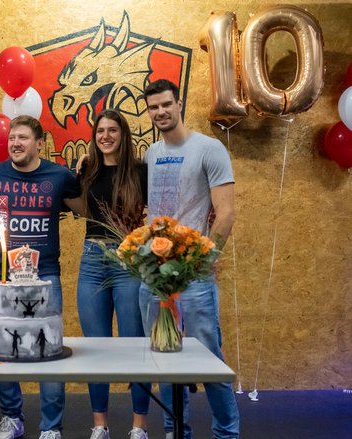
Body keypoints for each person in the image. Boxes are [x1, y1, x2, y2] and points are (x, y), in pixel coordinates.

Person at [139, 79, 239, 439]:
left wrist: (204, 259)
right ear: (148, 111)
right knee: (164, 358)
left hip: (192, 275)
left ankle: (227, 433)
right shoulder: (151, 153)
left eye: (166, 104)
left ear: (178, 103)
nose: (160, 112)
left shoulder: (208, 149)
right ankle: (174, 431)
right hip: (154, 274)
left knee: (209, 358)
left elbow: (225, 214)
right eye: (153, 107)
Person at [0, 115, 81, 439]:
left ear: (39, 143)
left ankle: (51, 426)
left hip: (45, 275)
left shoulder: (59, 176)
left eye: (22, 138)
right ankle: (11, 417)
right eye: (11, 139)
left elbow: (88, 208)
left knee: (50, 348)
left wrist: (95, 174)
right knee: (2, 348)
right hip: (2, 276)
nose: (15, 144)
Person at [75, 109, 151, 439]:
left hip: (128, 261)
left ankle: (138, 427)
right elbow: (76, 206)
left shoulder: (140, 171)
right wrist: (76, 167)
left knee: (135, 345)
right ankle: (100, 425)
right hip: (92, 260)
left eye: (113, 130)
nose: (105, 135)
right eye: (100, 130)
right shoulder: (86, 170)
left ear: (123, 135)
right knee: (97, 348)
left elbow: (156, 213)